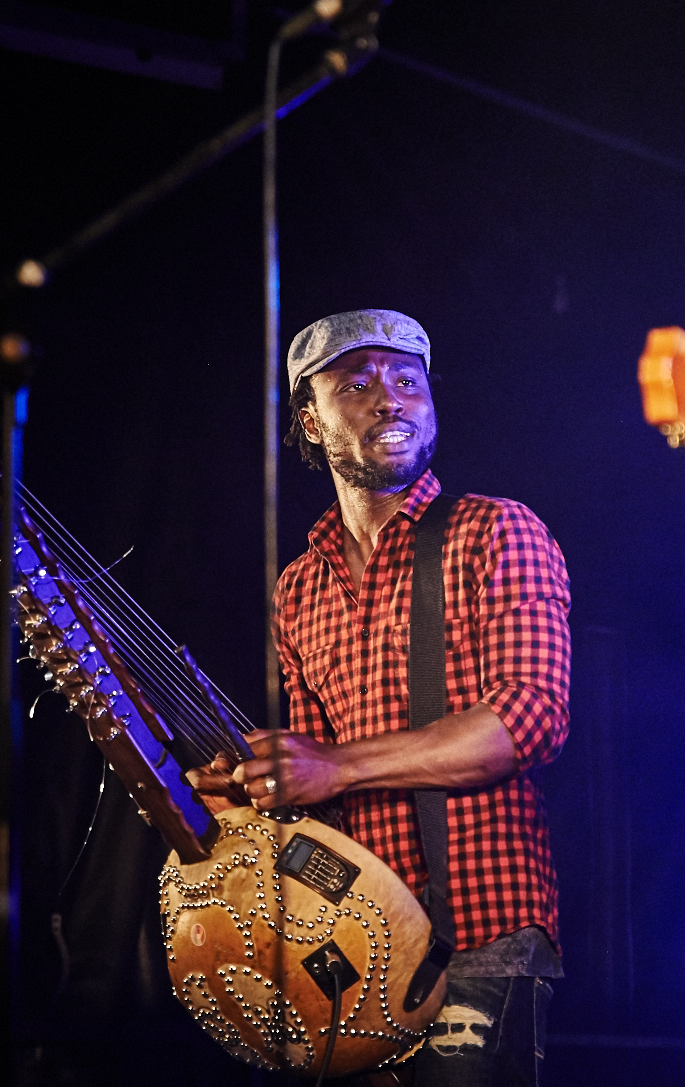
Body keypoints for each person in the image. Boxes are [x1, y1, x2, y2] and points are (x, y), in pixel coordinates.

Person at [189, 308, 570, 1086]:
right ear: (310, 420)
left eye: (407, 380)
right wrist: (252, 795)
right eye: (356, 384)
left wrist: (333, 763)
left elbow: (528, 719)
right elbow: (319, 803)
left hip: (481, 933)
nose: (389, 397)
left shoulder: (496, 531)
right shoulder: (299, 587)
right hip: (351, 946)